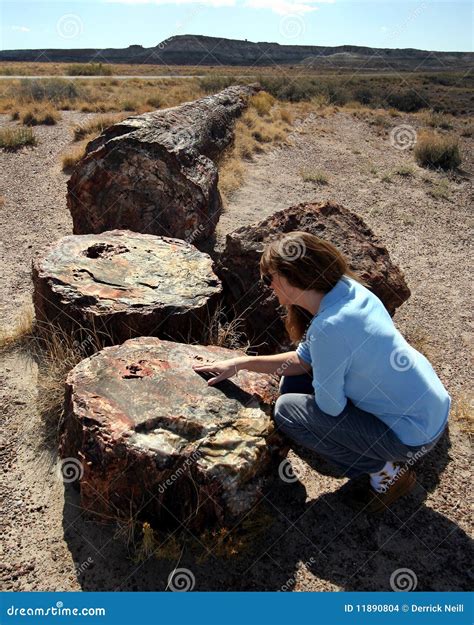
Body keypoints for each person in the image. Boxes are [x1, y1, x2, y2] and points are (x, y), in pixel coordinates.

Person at [192, 231, 451, 513]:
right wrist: (239, 364)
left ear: (292, 278)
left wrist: (320, 383)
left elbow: (330, 406)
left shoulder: (329, 327)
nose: (268, 287)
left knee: (287, 411)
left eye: (270, 279)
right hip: (431, 407)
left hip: (412, 437)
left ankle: (385, 473)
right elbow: (304, 360)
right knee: (292, 383)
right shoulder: (349, 290)